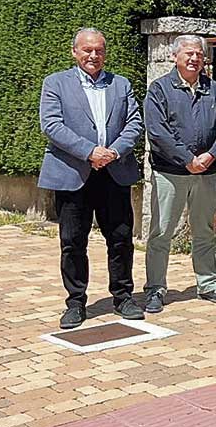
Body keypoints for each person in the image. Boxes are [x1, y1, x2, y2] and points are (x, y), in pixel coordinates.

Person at [39, 28, 145, 329]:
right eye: (87, 50)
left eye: (99, 50)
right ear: (75, 52)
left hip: (114, 171)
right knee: (72, 242)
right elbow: (51, 125)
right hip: (75, 174)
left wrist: (112, 152)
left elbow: (135, 122)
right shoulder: (56, 83)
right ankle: (75, 302)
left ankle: (123, 297)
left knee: (121, 239)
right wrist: (89, 152)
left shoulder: (120, 84)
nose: (93, 55)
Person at [142, 35, 216, 312]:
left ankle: (207, 284)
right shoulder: (159, 89)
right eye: (189, 54)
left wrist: (211, 155)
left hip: (206, 172)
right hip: (171, 173)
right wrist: (187, 159)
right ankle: (156, 288)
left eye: (199, 54)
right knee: (161, 232)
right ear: (175, 57)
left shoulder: (215, 90)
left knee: (204, 230)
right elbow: (157, 132)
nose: (195, 59)